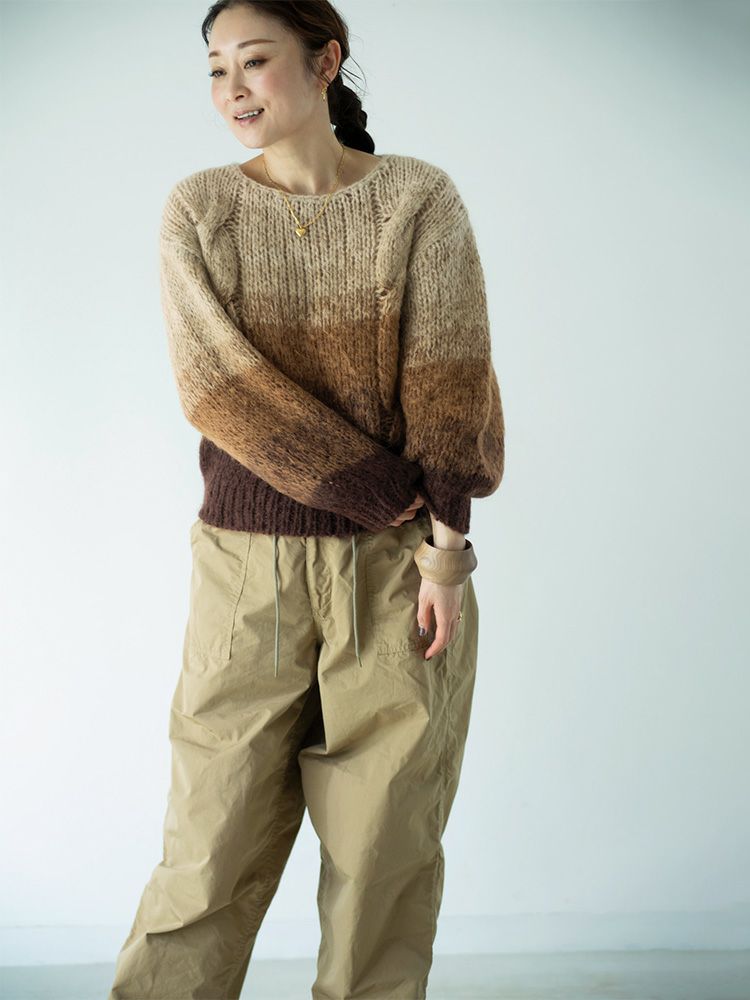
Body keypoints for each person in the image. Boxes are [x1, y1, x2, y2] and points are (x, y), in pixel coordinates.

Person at [108, 1, 505, 997]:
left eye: (255, 61)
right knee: (208, 849)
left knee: (385, 855)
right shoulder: (200, 208)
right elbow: (218, 388)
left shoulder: (417, 200)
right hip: (246, 571)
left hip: (401, 569)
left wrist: (443, 553)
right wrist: (375, 488)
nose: (232, 89)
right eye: (215, 69)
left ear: (326, 62)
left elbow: (451, 383)